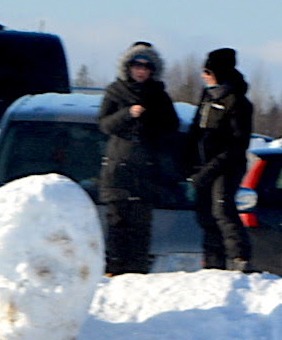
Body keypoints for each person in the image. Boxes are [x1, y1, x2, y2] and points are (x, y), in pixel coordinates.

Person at [96, 42, 180, 276]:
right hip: (118, 173)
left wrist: (151, 120)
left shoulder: (160, 96)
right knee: (117, 226)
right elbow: (104, 124)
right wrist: (127, 114)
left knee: (140, 230)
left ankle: (136, 275)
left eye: (147, 66)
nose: (141, 71)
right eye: (137, 65)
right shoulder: (115, 91)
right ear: (128, 67)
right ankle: (113, 272)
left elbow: (170, 128)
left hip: (146, 173)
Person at [184, 47, 253, 272]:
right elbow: (196, 129)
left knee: (222, 208)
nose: (204, 76)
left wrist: (209, 169)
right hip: (203, 163)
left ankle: (239, 258)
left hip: (226, 165)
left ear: (219, 72)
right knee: (205, 214)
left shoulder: (238, 102)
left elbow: (237, 144)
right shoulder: (207, 97)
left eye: (208, 71)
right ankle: (213, 264)